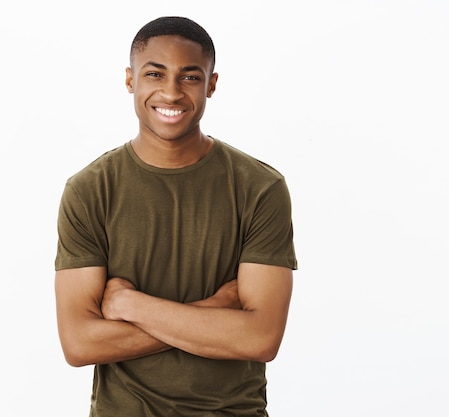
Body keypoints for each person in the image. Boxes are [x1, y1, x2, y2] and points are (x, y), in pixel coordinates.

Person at [54, 16, 297, 417]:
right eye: (155, 73)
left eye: (189, 77)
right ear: (130, 79)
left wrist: (131, 304)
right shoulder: (89, 190)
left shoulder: (259, 187)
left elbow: (261, 338)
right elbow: (80, 344)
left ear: (211, 85)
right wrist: (212, 313)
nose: (171, 92)